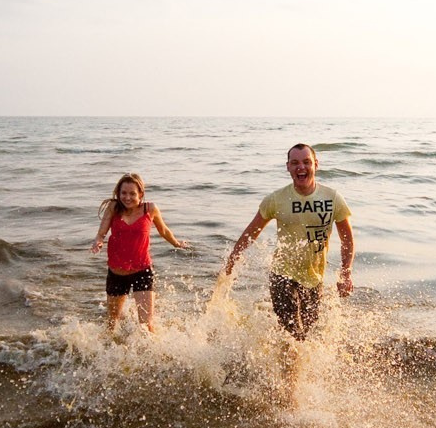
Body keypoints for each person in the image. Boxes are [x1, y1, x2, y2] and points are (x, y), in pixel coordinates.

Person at [220, 143, 354, 340]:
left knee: (306, 333)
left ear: (316, 164)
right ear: (288, 167)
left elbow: (347, 240)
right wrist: (233, 259)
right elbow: (251, 233)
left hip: (314, 278)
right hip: (282, 274)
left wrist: (346, 273)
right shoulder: (276, 199)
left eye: (306, 162)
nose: (301, 167)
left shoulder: (332, 198)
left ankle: (282, 354)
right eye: (295, 163)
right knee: (294, 333)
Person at [91, 172, 189, 332]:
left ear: (141, 194)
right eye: (123, 193)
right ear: (118, 193)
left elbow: (164, 230)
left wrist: (177, 244)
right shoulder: (113, 208)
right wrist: (98, 242)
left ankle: (155, 348)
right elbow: (101, 233)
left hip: (142, 270)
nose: (127, 197)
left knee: (146, 326)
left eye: (132, 193)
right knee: (112, 324)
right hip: (117, 273)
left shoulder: (150, 209)